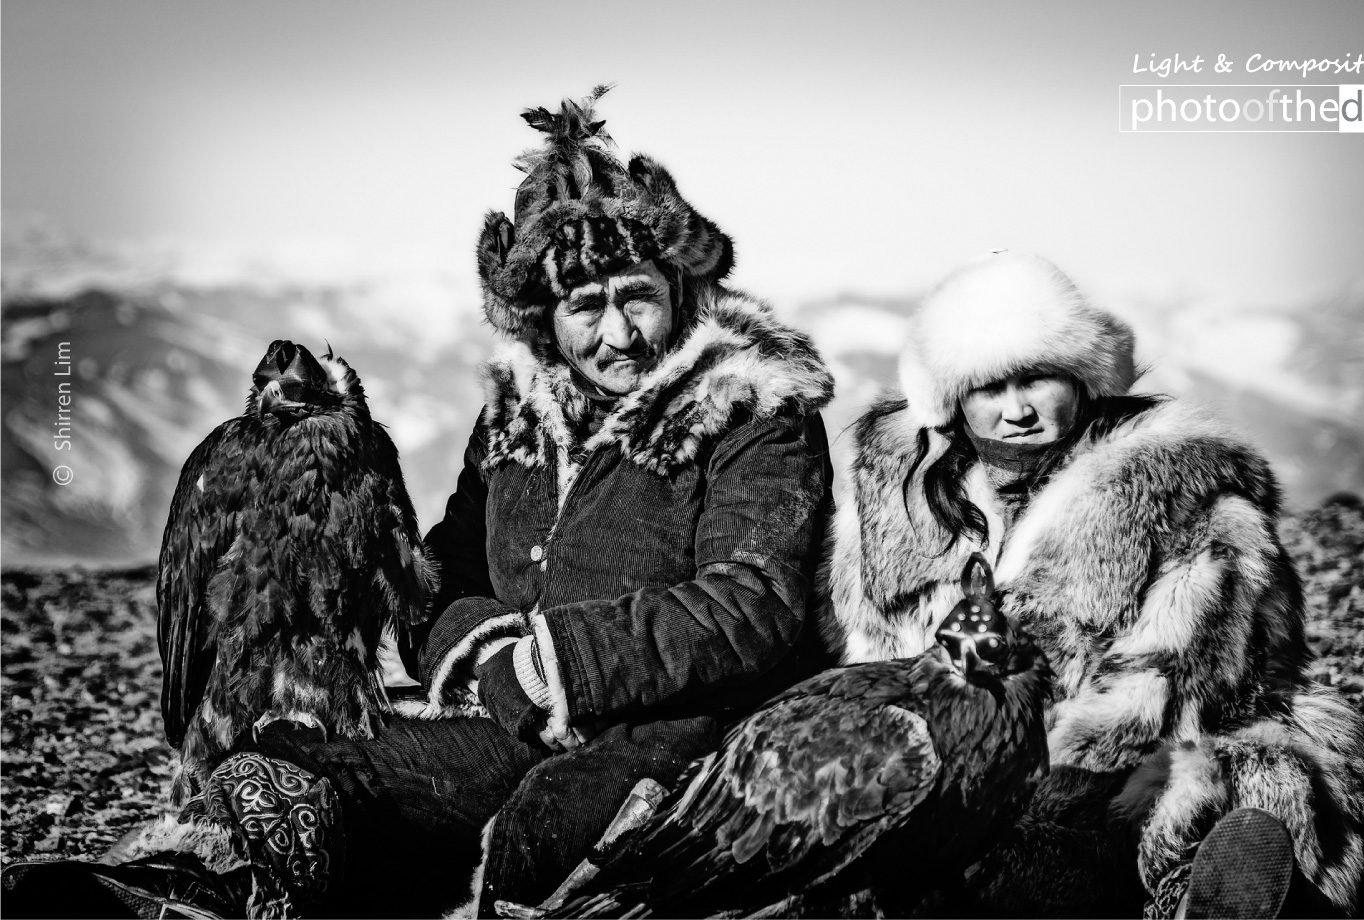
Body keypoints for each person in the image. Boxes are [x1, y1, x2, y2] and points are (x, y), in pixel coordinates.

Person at [5, 88, 835, 918]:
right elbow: (438, 574)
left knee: (541, 837)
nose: (619, 335)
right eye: (586, 306)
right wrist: (487, 655)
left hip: (680, 739)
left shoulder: (754, 411)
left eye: (638, 295)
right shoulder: (517, 419)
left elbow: (750, 605)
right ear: (544, 319)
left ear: (680, 286)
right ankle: (180, 893)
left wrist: (550, 665)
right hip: (509, 722)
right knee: (294, 768)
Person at [818, 251, 1364, 917]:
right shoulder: (900, 507)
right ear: (954, 402)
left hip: (1104, 772)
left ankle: (1180, 892)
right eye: (990, 388)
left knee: (1051, 848)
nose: (1017, 410)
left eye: (1037, 379)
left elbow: (1172, 695)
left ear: (1083, 379)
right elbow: (869, 663)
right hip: (929, 770)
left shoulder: (1177, 499)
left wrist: (1014, 782)